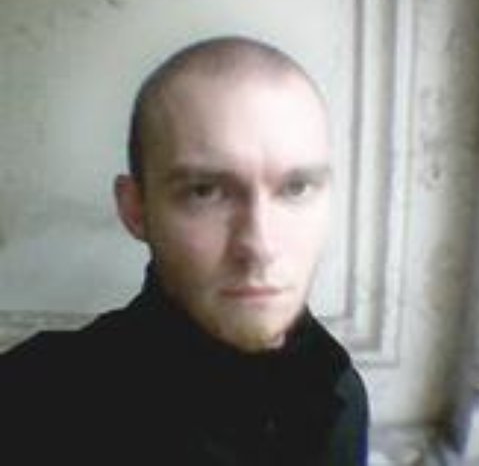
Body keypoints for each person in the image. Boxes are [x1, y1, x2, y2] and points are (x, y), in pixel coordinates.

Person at [0, 36, 368, 464]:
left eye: (296, 187)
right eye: (204, 191)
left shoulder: (340, 393)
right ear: (135, 209)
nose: (260, 247)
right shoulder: (28, 402)